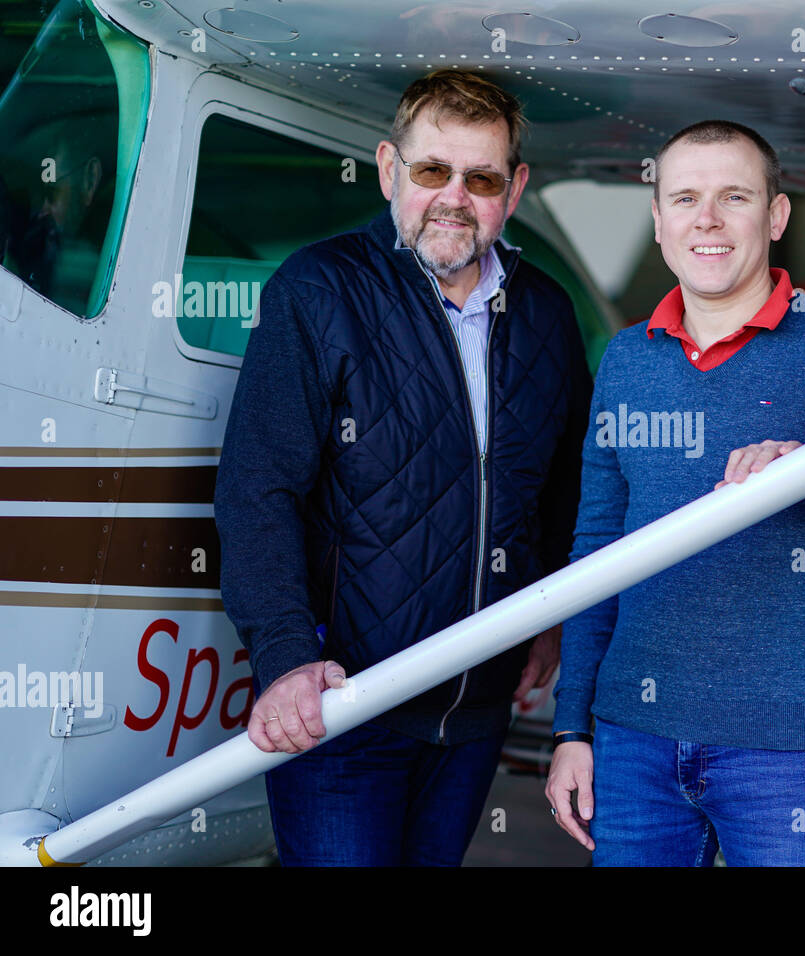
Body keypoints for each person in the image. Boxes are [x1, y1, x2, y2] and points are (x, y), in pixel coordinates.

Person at [544, 120, 805, 866]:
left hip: (784, 757)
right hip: (632, 745)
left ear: (775, 216)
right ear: (660, 220)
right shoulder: (624, 362)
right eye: (685, 198)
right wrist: (572, 729)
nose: (706, 220)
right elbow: (595, 552)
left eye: (733, 197)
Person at [214, 69, 592, 866]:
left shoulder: (547, 313)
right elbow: (259, 490)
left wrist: (551, 608)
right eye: (432, 172)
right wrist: (284, 662)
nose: (455, 197)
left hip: (475, 717)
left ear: (514, 189)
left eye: (481, 178)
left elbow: (562, 485)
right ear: (390, 169)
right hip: (345, 707)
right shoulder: (318, 291)